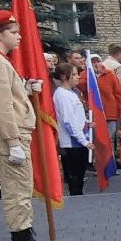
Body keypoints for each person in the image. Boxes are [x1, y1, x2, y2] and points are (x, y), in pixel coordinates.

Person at [0, 10, 59, 241]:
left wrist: (26, 88)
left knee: (21, 186)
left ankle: (27, 236)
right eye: (13, 32)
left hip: (13, 132)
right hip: (9, 135)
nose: (19, 36)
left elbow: (9, 94)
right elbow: (2, 106)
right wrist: (12, 142)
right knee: (17, 189)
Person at [53, 63, 91, 197]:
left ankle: (78, 197)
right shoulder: (62, 95)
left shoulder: (72, 93)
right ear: (64, 76)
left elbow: (76, 116)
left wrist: (87, 123)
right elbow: (68, 122)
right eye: (74, 74)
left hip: (78, 140)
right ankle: (76, 201)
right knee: (74, 177)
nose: (78, 77)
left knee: (80, 175)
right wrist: (84, 141)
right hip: (71, 143)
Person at [95, 46, 121, 156]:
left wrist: (120, 110)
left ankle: (110, 160)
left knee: (110, 138)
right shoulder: (87, 75)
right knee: (99, 139)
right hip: (96, 112)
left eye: (98, 61)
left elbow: (118, 92)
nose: (96, 64)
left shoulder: (110, 74)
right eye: (93, 62)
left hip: (110, 111)